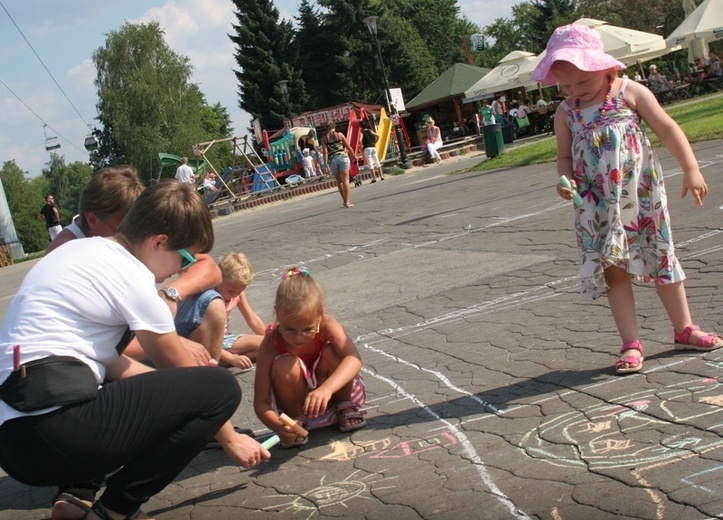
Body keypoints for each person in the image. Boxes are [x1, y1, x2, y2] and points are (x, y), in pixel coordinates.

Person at [0, 180, 269, 520]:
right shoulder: (132, 277)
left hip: (12, 441)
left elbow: (113, 366)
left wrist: (171, 396)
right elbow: (186, 373)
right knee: (220, 387)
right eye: (184, 257)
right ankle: (116, 510)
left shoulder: (76, 253)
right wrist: (230, 438)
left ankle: (77, 494)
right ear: (159, 242)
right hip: (56, 430)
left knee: (163, 390)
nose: (180, 270)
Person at [531, 23, 723, 376]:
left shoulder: (630, 92)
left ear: (605, 67)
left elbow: (667, 128)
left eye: (582, 82)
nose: (574, 91)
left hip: (640, 195)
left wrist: (691, 168)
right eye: (565, 85)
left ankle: (684, 328)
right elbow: (563, 158)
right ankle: (630, 342)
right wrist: (565, 179)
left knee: (661, 254)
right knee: (614, 270)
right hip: (597, 204)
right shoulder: (565, 113)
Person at [253, 267, 366, 448]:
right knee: (285, 364)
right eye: (289, 329)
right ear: (277, 314)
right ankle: (296, 419)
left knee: (333, 352)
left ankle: (344, 405)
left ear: (321, 313)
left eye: (307, 329)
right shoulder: (271, 342)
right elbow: (261, 403)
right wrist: (278, 427)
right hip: (297, 404)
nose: (298, 338)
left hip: (329, 396)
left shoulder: (327, 325)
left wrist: (327, 389)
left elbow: (354, 359)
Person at [46, 166, 144, 254]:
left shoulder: (95, 240)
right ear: (92, 220)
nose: (132, 238)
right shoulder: (65, 254)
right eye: (123, 231)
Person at [214, 252, 266, 369]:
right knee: (263, 344)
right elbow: (203, 338)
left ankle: (220, 360)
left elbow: (251, 318)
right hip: (213, 342)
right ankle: (223, 357)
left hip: (226, 338)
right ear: (218, 279)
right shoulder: (210, 298)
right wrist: (232, 359)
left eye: (239, 291)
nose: (235, 295)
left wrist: (269, 337)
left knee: (268, 347)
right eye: (231, 291)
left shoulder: (237, 293)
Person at [321, 120, 357, 208]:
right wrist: (354, 156)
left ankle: (344, 200)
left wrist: (325, 165)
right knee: (346, 180)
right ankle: (347, 202)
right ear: (334, 126)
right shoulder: (340, 135)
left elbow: (325, 152)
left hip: (332, 159)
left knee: (339, 181)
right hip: (342, 157)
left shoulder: (324, 138)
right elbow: (348, 147)